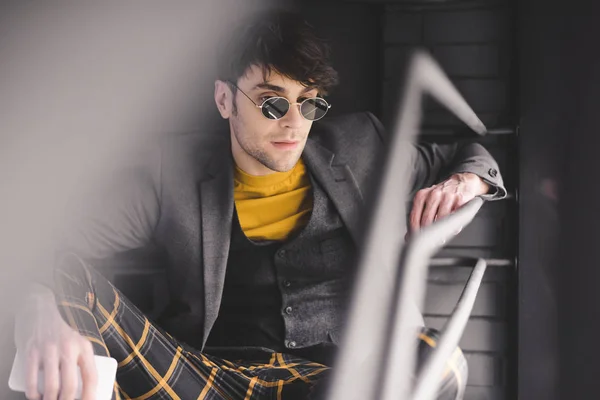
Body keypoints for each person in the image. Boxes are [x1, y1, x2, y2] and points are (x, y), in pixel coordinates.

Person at [15, 10, 506, 400]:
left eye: (309, 102)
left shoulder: (361, 146)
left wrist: (466, 183)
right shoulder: (174, 175)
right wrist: (40, 308)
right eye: (273, 103)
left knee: (440, 360)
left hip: (339, 378)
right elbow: (52, 240)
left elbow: (473, 156)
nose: (294, 123)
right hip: (210, 378)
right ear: (225, 100)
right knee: (74, 291)